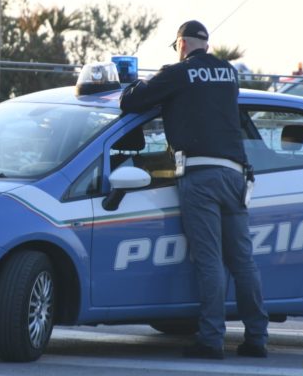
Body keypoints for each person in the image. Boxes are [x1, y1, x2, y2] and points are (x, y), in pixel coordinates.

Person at [119, 20, 269, 360]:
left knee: (210, 260)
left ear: (182, 45)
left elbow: (132, 102)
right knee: (243, 262)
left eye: (175, 47)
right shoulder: (229, 73)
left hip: (201, 176)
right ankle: (257, 338)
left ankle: (211, 340)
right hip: (236, 176)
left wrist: (137, 82)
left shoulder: (178, 74)